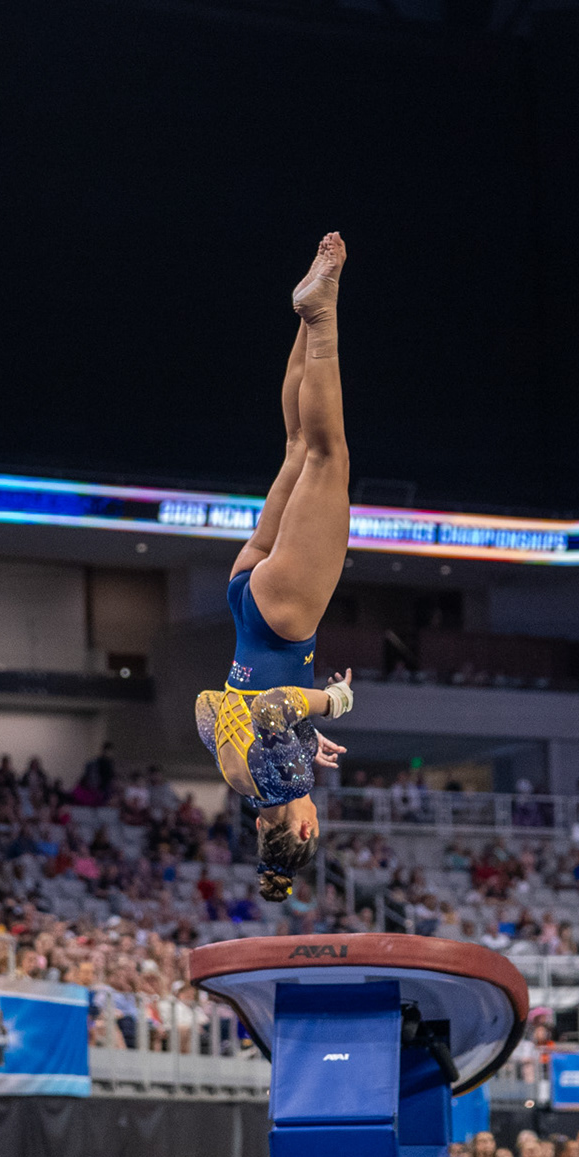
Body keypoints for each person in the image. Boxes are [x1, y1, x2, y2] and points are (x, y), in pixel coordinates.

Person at [194, 234, 356, 902]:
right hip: (246, 603)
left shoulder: (286, 784)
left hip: (285, 618)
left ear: (305, 830)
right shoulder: (241, 781)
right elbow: (210, 706)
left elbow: (273, 704)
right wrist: (294, 735)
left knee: (326, 454)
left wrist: (330, 704)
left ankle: (320, 312)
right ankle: (307, 316)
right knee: (294, 446)